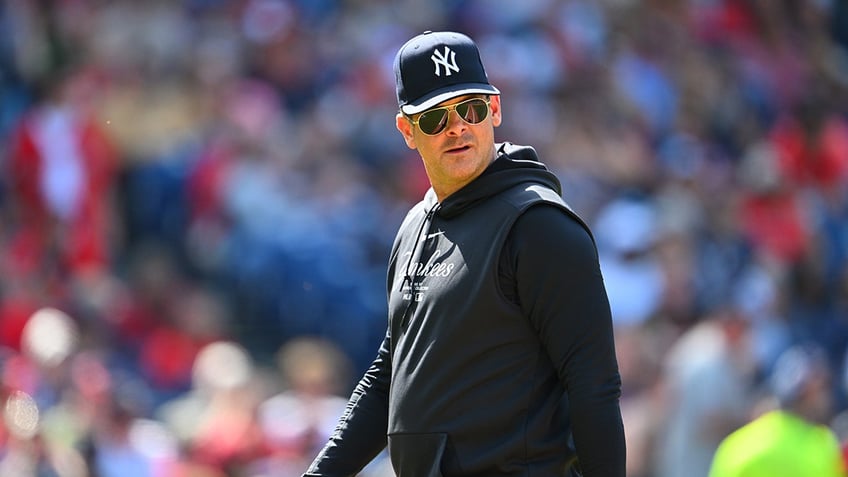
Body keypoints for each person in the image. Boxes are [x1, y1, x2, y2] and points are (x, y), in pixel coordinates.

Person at [303, 30, 625, 477]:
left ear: (494, 108)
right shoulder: (415, 224)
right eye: (435, 117)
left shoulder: (539, 224)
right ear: (407, 130)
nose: (457, 127)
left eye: (470, 109)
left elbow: (595, 386)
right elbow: (390, 374)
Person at [708, 344, 846, 477]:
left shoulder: (736, 447)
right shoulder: (821, 446)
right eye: (823, 387)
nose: (827, 397)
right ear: (809, 392)